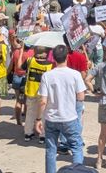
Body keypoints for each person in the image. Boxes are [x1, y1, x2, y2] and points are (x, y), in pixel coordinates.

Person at [36, 45, 87, 173]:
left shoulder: (47, 76)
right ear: (67, 57)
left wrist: (38, 119)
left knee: (51, 150)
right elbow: (81, 96)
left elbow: (43, 101)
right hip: (69, 117)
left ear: (53, 58)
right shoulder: (75, 75)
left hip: (52, 118)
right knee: (76, 147)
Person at [23, 46, 52, 141]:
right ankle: (42, 135)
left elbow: (22, 67)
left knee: (30, 112)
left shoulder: (30, 60)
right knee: (43, 113)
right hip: (43, 92)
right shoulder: (50, 65)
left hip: (31, 90)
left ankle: (28, 133)